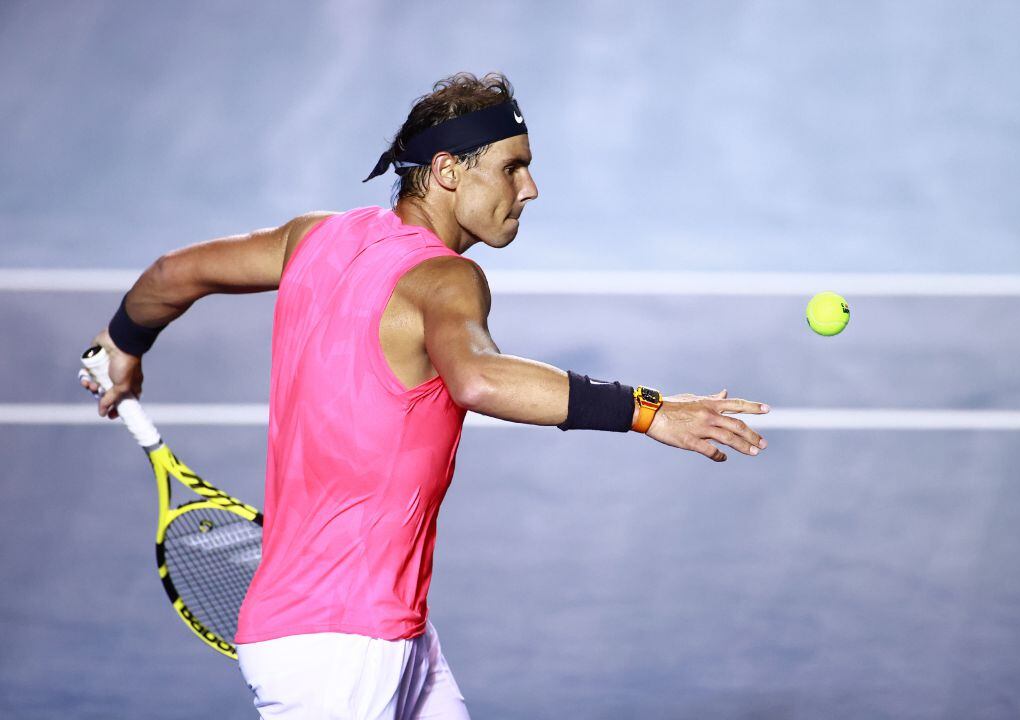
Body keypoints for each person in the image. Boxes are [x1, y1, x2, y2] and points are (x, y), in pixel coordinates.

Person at [79, 72, 770, 720]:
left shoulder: (313, 239)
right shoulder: (444, 279)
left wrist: (122, 343)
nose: (529, 189)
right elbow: (478, 378)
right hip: (341, 649)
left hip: (383, 631)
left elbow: (173, 274)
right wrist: (648, 411)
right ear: (447, 172)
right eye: (511, 167)